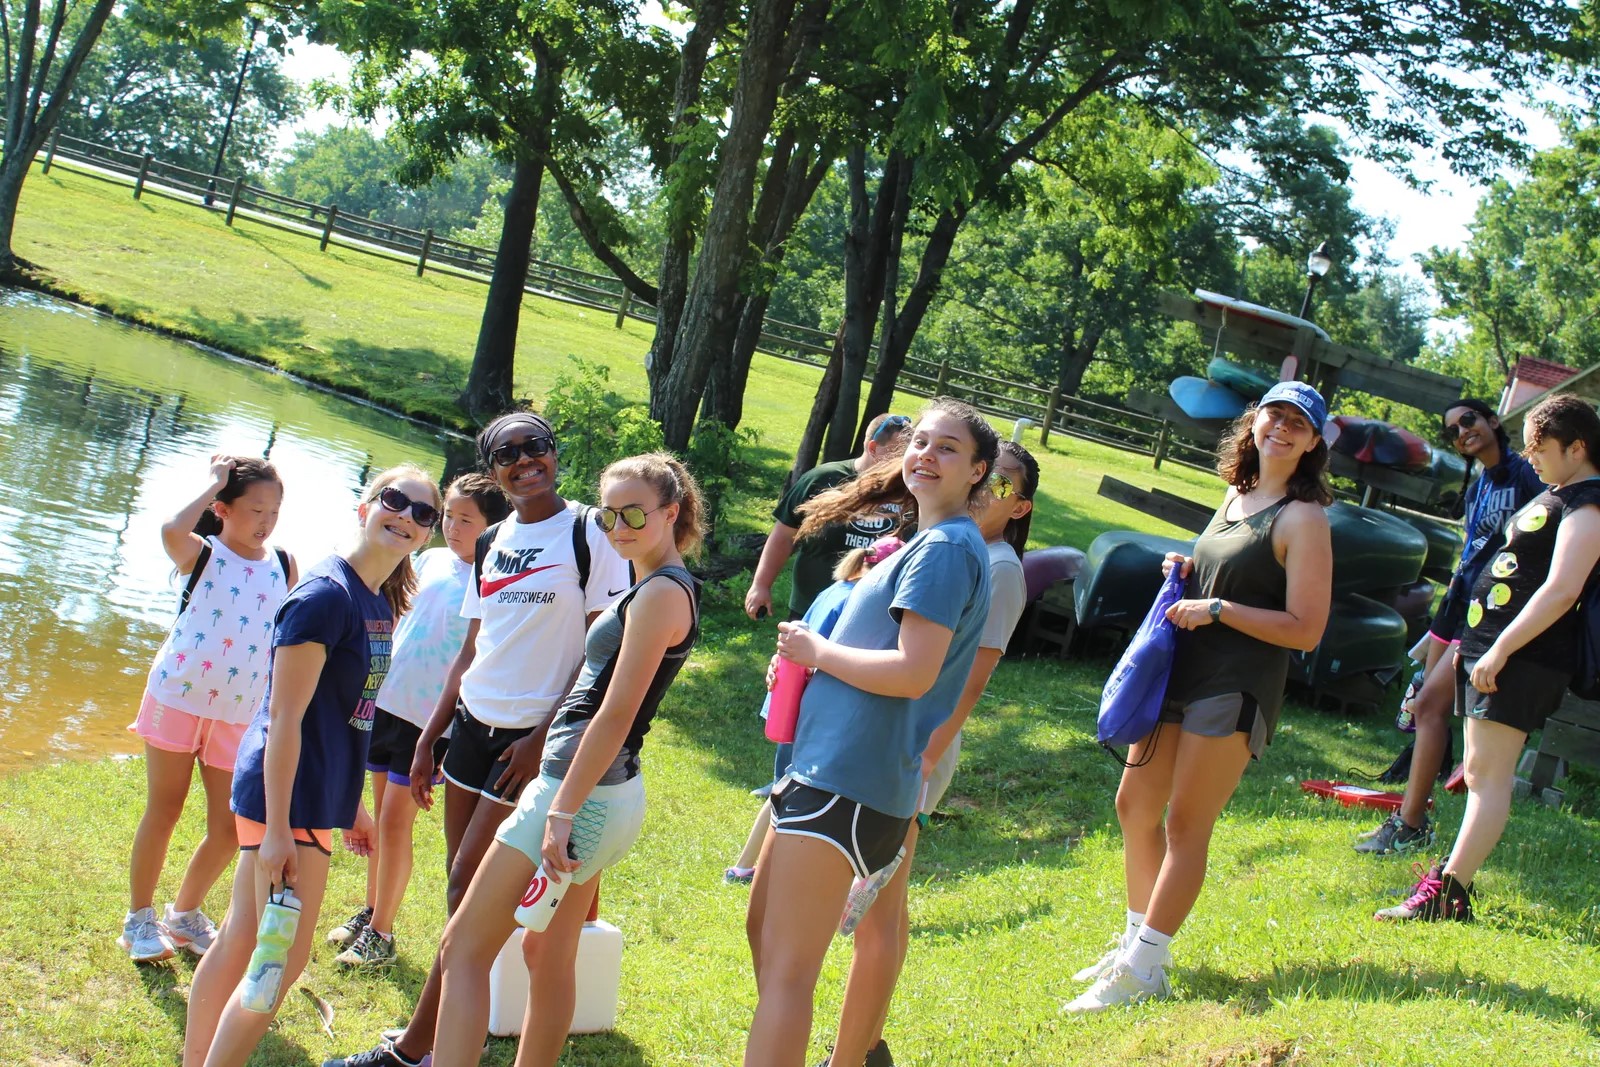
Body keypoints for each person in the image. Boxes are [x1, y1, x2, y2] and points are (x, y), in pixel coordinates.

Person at [324, 411, 627, 1067]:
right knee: (461, 895)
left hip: (532, 743)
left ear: (554, 450)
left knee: (468, 889)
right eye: (507, 453)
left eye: (535, 446)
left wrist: (543, 734)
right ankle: (436, 1043)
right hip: (470, 731)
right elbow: (471, 649)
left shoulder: (587, 532)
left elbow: (603, 653)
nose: (524, 460)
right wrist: (431, 737)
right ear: (494, 469)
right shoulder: (492, 541)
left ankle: (412, 1050)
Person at [426, 452, 704, 1067]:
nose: (619, 527)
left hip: (577, 797)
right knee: (544, 955)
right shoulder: (656, 583)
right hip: (603, 796)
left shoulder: (661, 593)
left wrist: (560, 810)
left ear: (672, 512)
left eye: (635, 513)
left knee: (466, 948)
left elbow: (616, 714)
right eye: (607, 516)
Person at [1065, 381, 1333, 1014]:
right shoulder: (1237, 495)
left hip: (1236, 683)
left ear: (1314, 443)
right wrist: (1187, 572)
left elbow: (1307, 628)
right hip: (1181, 672)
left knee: (1187, 823)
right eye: (1276, 415)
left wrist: (1218, 606)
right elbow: (1229, 568)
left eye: (1300, 423)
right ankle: (1135, 944)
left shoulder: (1303, 517)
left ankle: (1145, 965)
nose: (1284, 428)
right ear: (1255, 421)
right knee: (1134, 804)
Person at [744, 398, 997, 1067]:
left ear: (977, 472)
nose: (926, 454)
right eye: (920, 440)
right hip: (825, 768)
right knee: (765, 938)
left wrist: (818, 657)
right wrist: (806, 656)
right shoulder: (921, 542)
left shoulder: (945, 549)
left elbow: (915, 672)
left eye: (949, 447)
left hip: (849, 778)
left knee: (788, 970)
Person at [182, 465, 441, 1067]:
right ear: (365, 505)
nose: (406, 517)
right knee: (282, 956)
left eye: (422, 513)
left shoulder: (375, 599)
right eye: (395, 501)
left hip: (309, 794)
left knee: (245, 937)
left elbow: (346, 713)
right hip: (284, 799)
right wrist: (277, 831)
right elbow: (284, 719)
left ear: (428, 533)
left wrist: (350, 805)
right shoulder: (326, 596)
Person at [820, 441, 1038, 1067]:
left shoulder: (995, 565)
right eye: (985, 477)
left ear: (1018, 506)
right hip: (907, 739)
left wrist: (922, 758)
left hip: (920, 743)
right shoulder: (957, 543)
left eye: (1002, 486)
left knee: (879, 913)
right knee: (883, 908)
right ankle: (863, 1048)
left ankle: (855, 1054)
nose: (985, 488)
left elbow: (971, 680)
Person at [1376, 393, 1600, 922]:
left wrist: (1499, 649)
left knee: (1489, 778)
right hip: (1497, 650)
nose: (1533, 458)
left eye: (1541, 448)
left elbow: (1562, 590)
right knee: (1479, 773)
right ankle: (1450, 883)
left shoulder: (1588, 506)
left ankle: (1448, 891)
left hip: (1527, 657)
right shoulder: (1562, 492)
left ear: (1577, 446)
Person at [328, 474, 511, 968]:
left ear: (493, 527)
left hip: (429, 723)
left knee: (393, 824)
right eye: (447, 515)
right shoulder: (427, 560)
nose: (451, 526)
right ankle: (371, 912)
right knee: (380, 816)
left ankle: (383, 934)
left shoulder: (493, 581)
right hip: (386, 705)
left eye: (464, 519)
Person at [122, 456, 297, 963]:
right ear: (222, 509)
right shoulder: (201, 552)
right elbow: (170, 527)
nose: (266, 521)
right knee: (166, 808)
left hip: (239, 713)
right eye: (256, 509)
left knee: (227, 826)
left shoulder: (284, 565)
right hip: (177, 698)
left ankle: (184, 915)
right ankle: (138, 921)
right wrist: (213, 483)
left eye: (275, 510)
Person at [1355, 398, 1542, 856]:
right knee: (1424, 707)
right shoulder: (1479, 486)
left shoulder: (1526, 476)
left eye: (1469, 420)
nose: (1462, 432)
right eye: (1453, 430)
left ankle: (1411, 822)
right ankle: (1411, 815)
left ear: (1494, 422)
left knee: (1432, 705)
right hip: (1453, 607)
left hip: (1488, 610)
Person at [724, 535, 907, 885]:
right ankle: (750, 867)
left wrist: (778, 663)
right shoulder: (856, 602)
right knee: (790, 787)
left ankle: (748, 866)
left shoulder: (831, 590)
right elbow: (821, 657)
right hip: (811, 709)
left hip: (789, 702)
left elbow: (794, 641)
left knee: (786, 782)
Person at [744, 412, 913, 621]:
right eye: (898, 454)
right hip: (810, 608)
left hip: (871, 616)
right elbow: (784, 534)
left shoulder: (912, 493)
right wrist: (761, 585)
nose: (905, 462)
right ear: (873, 448)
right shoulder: (822, 480)